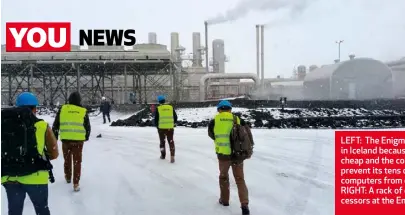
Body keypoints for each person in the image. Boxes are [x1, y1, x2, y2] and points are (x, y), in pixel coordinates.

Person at [2, 92, 59, 215]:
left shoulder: (3, 125)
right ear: (35, 109)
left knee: (14, 211)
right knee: (42, 210)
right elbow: (54, 153)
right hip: (36, 177)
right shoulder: (42, 126)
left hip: (10, 177)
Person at [208, 100, 250, 215]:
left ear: (219, 109)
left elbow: (212, 135)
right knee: (240, 179)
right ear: (230, 109)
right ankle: (244, 205)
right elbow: (245, 135)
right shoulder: (237, 119)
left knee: (223, 177)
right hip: (238, 154)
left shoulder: (214, 121)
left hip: (223, 155)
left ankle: (225, 200)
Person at [52, 91, 91, 192]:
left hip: (66, 140)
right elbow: (87, 126)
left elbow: (56, 124)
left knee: (67, 159)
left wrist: (54, 137)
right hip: (78, 141)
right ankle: (76, 183)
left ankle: (68, 177)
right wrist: (86, 137)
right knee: (77, 162)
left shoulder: (62, 109)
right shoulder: (83, 111)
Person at [154, 95, 178, 163]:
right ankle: (172, 156)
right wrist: (174, 123)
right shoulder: (170, 107)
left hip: (161, 128)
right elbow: (175, 117)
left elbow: (156, 119)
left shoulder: (158, 108)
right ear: (164, 100)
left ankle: (163, 155)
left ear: (159, 101)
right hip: (170, 128)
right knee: (171, 141)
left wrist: (157, 126)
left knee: (162, 142)